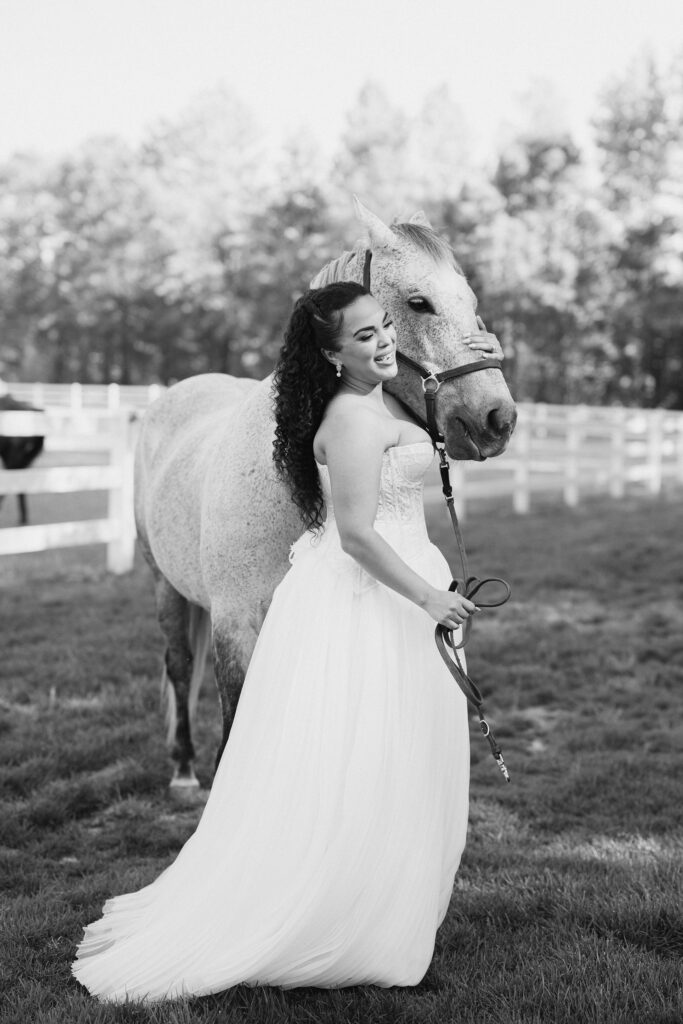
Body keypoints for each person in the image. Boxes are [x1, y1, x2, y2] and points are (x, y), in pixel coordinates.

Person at [71, 281, 497, 1003]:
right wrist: (429, 597)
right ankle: (338, 915)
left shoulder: (376, 400)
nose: (385, 340)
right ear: (330, 354)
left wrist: (473, 354)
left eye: (386, 324)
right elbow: (358, 535)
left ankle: (366, 897)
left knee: (383, 753)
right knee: (366, 749)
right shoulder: (355, 422)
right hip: (379, 596)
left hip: (390, 596)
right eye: (364, 336)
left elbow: (450, 422)